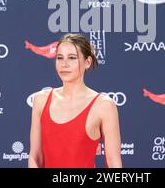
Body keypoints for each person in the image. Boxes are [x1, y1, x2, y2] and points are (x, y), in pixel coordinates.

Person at [28, 33, 122, 168]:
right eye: (60, 58)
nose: (64, 64)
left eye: (72, 58)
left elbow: (113, 162)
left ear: (87, 62)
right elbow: (35, 156)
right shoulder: (40, 100)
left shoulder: (104, 105)